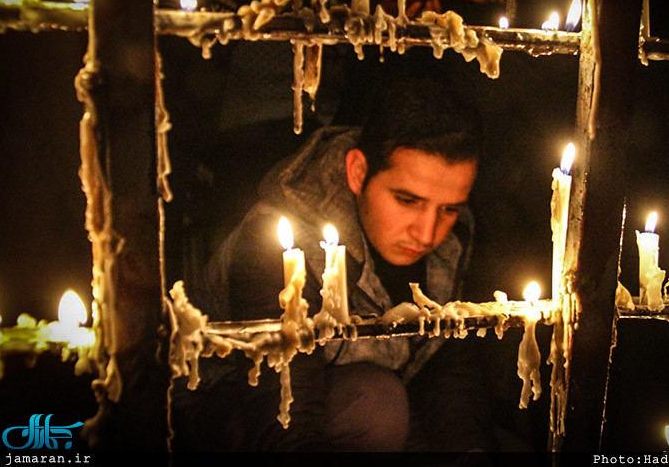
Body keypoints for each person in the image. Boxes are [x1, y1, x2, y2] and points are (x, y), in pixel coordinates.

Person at [170, 77, 498, 452]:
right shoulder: (281, 244)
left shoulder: (454, 240)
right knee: (377, 407)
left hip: (356, 401)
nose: (427, 233)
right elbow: (283, 415)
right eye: (407, 200)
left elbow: (447, 369)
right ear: (358, 172)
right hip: (236, 409)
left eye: (449, 209)